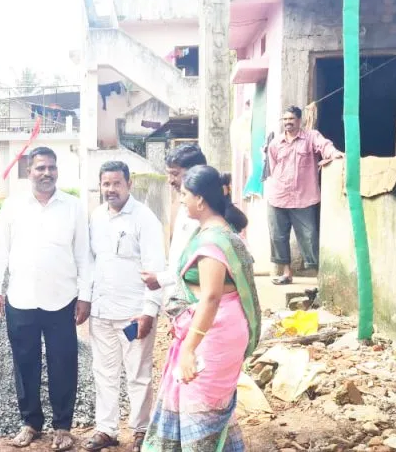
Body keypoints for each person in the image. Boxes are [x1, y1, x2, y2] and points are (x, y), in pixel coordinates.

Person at [140, 165, 262, 452]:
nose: (181, 199)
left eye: (184, 194)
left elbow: (211, 298)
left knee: (201, 404)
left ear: (201, 200)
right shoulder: (219, 231)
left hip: (212, 333)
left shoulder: (212, 242)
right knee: (208, 403)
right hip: (216, 329)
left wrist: (189, 348)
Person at [0, 146, 91, 451]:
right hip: (21, 299)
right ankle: (31, 422)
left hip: (62, 300)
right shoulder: (13, 206)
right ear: (28, 171)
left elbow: (84, 255)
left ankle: (62, 427)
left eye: (52, 167)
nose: (47, 173)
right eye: (40, 168)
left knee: (64, 363)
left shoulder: (73, 206)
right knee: (25, 363)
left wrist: (85, 296)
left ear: (57, 171)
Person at [83, 161, 165, 452]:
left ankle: (141, 430)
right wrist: (86, 299)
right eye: (106, 184)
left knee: (138, 374)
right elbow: (90, 262)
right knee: (103, 373)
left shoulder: (144, 219)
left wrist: (149, 311)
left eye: (117, 183)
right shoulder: (96, 217)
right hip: (102, 313)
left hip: (133, 315)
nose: (111, 189)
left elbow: (156, 267)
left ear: (129, 184)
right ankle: (106, 429)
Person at [265, 106, 343, 285]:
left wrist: (334, 154)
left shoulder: (311, 137)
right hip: (278, 197)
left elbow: (325, 146)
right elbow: (273, 166)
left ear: (299, 120)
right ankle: (286, 273)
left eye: (291, 119)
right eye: (285, 120)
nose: (288, 123)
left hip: (304, 198)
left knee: (309, 236)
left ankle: (318, 276)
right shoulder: (275, 144)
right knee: (278, 236)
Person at [140, 144, 207, 318]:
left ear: (195, 172)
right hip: (181, 304)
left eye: (175, 174)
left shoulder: (207, 213)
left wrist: (160, 279)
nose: (170, 180)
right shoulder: (184, 206)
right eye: (168, 174)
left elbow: (199, 266)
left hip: (200, 306)